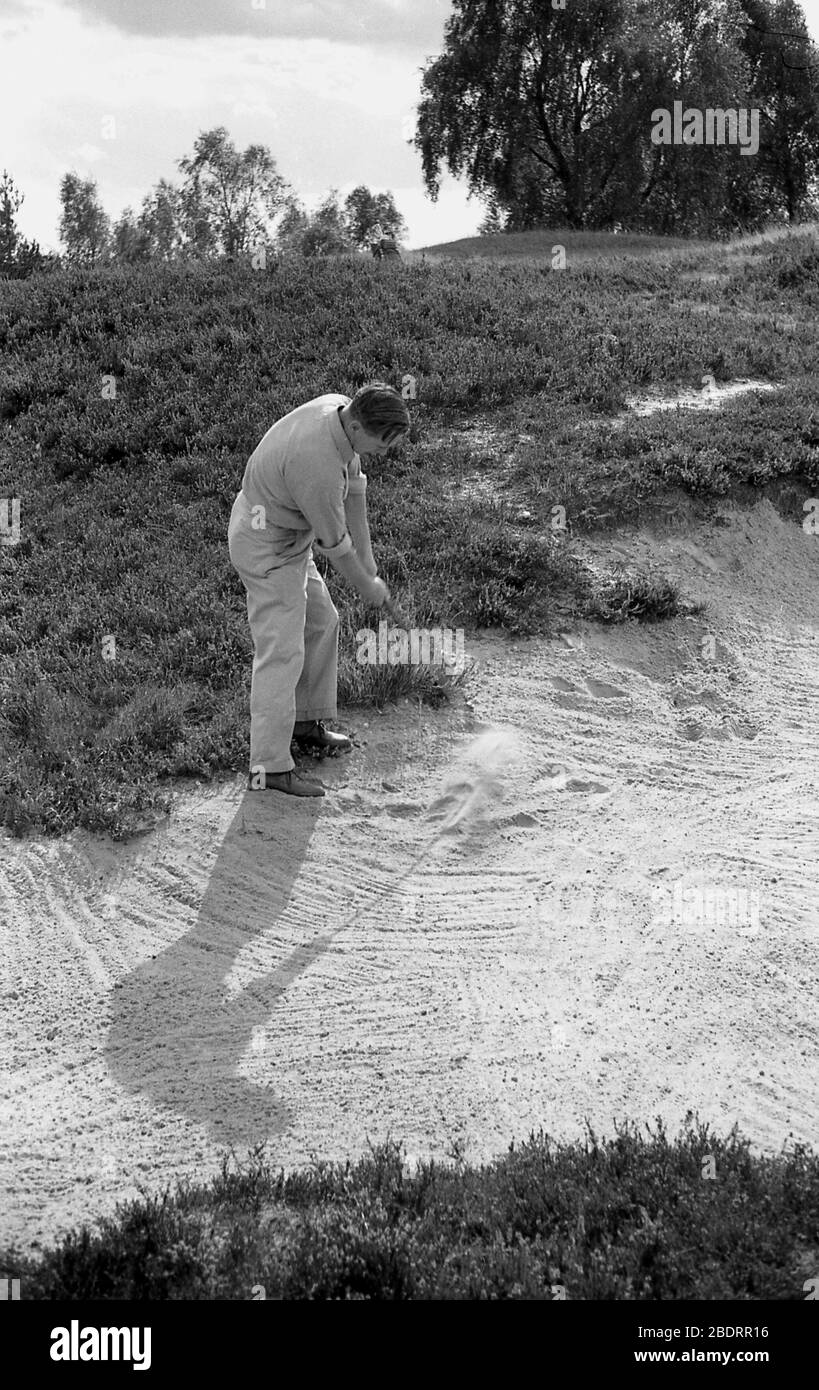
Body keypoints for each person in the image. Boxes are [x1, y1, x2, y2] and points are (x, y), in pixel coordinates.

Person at [228, 382, 411, 798]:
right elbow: (336, 546)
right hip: (266, 547)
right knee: (281, 652)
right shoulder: (318, 466)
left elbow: (356, 487)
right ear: (360, 426)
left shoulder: (339, 414)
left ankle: (305, 722)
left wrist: (370, 561)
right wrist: (366, 583)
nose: (385, 453)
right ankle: (270, 767)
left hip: (287, 537)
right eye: (383, 445)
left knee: (324, 621)